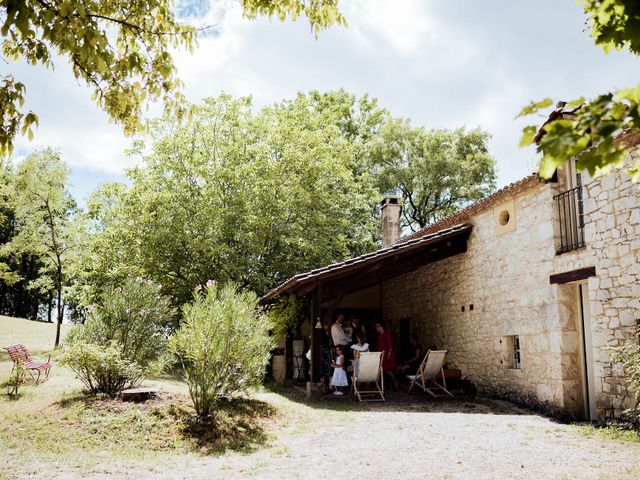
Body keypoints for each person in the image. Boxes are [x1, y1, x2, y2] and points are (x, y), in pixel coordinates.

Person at [375, 322, 399, 389]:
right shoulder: (380, 335)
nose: (376, 328)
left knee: (386, 369)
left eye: (377, 326)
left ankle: (395, 381)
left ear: (382, 327)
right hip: (381, 355)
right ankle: (383, 385)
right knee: (382, 370)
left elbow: (390, 345)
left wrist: (389, 354)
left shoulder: (386, 334)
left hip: (386, 355)